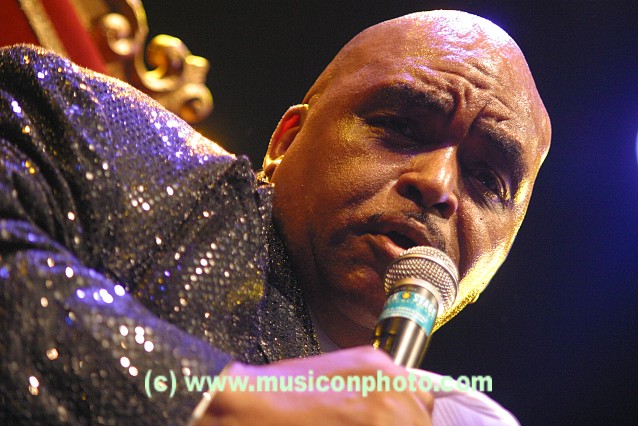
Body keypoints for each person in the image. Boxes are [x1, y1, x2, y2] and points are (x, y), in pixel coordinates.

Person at [0, 9, 550, 426]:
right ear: (286, 141)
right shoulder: (97, 129)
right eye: (401, 127)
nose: (437, 185)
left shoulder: (455, 415)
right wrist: (223, 401)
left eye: (487, 178)